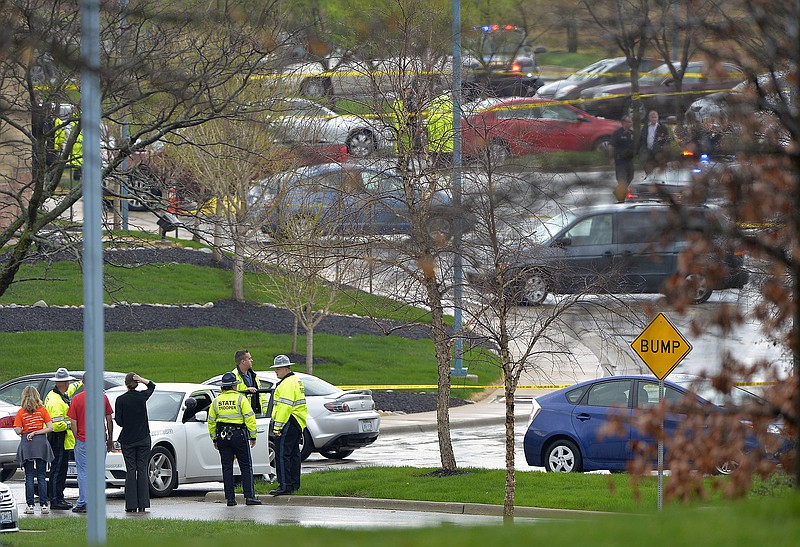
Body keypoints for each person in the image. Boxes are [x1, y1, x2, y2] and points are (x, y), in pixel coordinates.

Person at [208, 372, 262, 507]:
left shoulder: (216, 401)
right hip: (239, 435)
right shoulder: (240, 399)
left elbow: (211, 422)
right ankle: (249, 497)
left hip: (222, 436)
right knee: (245, 466)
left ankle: (230, 499)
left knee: (227, 467)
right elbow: (249, 417)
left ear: (222, 388)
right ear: (234, 387)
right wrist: (253, 435)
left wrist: (214, 438)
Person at [68, 380, 114, 514]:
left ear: (83, 383)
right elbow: (109, 419)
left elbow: (73, 422)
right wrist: (110, 439)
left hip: (83, 439)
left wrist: (77, 437)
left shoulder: (77, 399)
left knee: (83, 472)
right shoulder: (102, 397)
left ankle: (83, 502)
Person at [114, 373, 156, 513]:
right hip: (143, 438)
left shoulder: (121, 400)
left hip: (128, 439)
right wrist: (142, 379)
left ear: (126, 384)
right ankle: (143, 504)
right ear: (136, 383)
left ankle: (131, 504)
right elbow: (152, 386)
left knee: (131, 470)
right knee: (142, 469)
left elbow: (119, 421)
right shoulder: (142, 397)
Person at [43, 368, 83, 510]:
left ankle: (58, 497)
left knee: (60, 469)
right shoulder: (56, 402)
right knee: (58, 470)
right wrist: (71, 422)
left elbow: (70, 390)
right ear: (64, 383)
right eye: (68, 383)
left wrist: (81, 383)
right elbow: (56, 425)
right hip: (58, 439)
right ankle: (56, 500)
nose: (68, 386)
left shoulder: (56, 394)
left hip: (61, 440)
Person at [269, 355, 308, 496]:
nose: (276, 372)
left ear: (286, 368)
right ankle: (294, 484)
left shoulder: (286, 384)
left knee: (282, 455)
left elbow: (284, 408)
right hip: (297, 422)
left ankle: (284, 485)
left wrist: (277, 428)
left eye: (278, 369)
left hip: (288, 422)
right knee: (294, 455)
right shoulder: (296, 381)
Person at [14, 386, 54, 515]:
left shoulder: (21, 412)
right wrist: (37, 431)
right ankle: (44, 505)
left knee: (29, 476)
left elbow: (18, 430)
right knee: (42, 476)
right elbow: (50, 427)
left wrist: (26, 430)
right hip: (41, 443)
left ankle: (30, 505)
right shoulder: (42, 410)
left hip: (27, 444)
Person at [232, 350, 266, 415]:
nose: (252, 360)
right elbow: (232, 396)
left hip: (257, 413)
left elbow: (262, 395)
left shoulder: (253, 375)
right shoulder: (234, 376)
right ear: (243, 361)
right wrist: (246, 391)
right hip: (242, 415)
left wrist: (265, 413)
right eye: (249, 359)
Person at [610, 115, 636, 202]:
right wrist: (612, 158)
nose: (631, 123)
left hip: (629, 160)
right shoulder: (617, 133)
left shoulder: (632, 133)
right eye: (629, 122)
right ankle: (621, 199)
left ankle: (618, 192)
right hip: (620, 161)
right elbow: (611, 146)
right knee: (622, 180)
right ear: (624, 122)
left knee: (630, 177)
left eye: (631, 122)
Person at [425, 92, 454, 167]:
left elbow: (429, 117)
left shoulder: (432, 103)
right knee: (446, 158)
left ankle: (438, 167)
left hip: (434, 135)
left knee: (437, 157)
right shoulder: (448, 102)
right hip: (447, 135)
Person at [638, 109, 671, 174]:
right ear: (649, 118)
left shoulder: (662, 128)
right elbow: (641, 140)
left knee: (659, 168)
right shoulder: (645, 127)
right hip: (648, 151)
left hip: (658, 152)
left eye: (655, 117)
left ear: (658, 118)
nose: (654, 119)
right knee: (648, 167)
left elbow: (667, 140)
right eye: (652, 117)